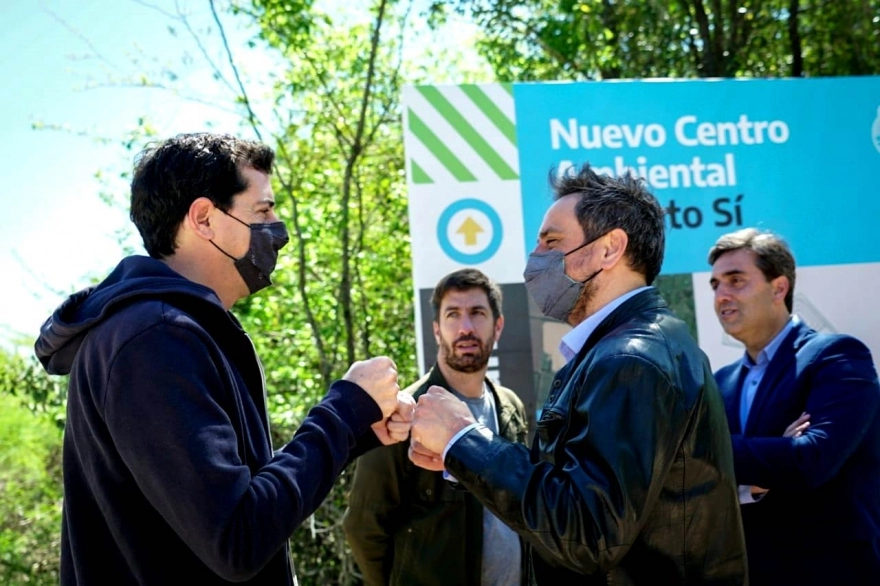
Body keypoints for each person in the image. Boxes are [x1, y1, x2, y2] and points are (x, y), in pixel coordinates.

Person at [34, 133, 414, 585]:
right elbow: (236, 538)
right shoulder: (155, 339)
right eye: (263, 211)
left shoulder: (170, 332)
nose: (279, 229)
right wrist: (343, 409)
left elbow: (240, 505)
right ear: (204, 219)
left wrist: (355, 430)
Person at [408, 164, 747, 585]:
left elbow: (588, 532)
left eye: (552, 242)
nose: (536, 260)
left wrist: (464, 438)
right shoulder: (632, 347)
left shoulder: (632, 360)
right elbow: (570, 487)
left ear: (609, 249)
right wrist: (458, 457)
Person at [708, 227, 880, 585]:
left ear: (779, 288)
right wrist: (767, 466)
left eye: (736, 280)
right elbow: (704, 485)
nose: (722, 295)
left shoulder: (836, 355)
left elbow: (811, 460)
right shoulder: (719, 382)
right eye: (715, 285)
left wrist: (708, 449)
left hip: (832, 571)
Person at [343, 268, 529, 586]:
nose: (466, 327)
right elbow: (364, 527)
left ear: (497, 326)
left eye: (477, 313)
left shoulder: (510, 407)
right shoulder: (404, 414)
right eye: (453, 315)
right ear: (437, 330)